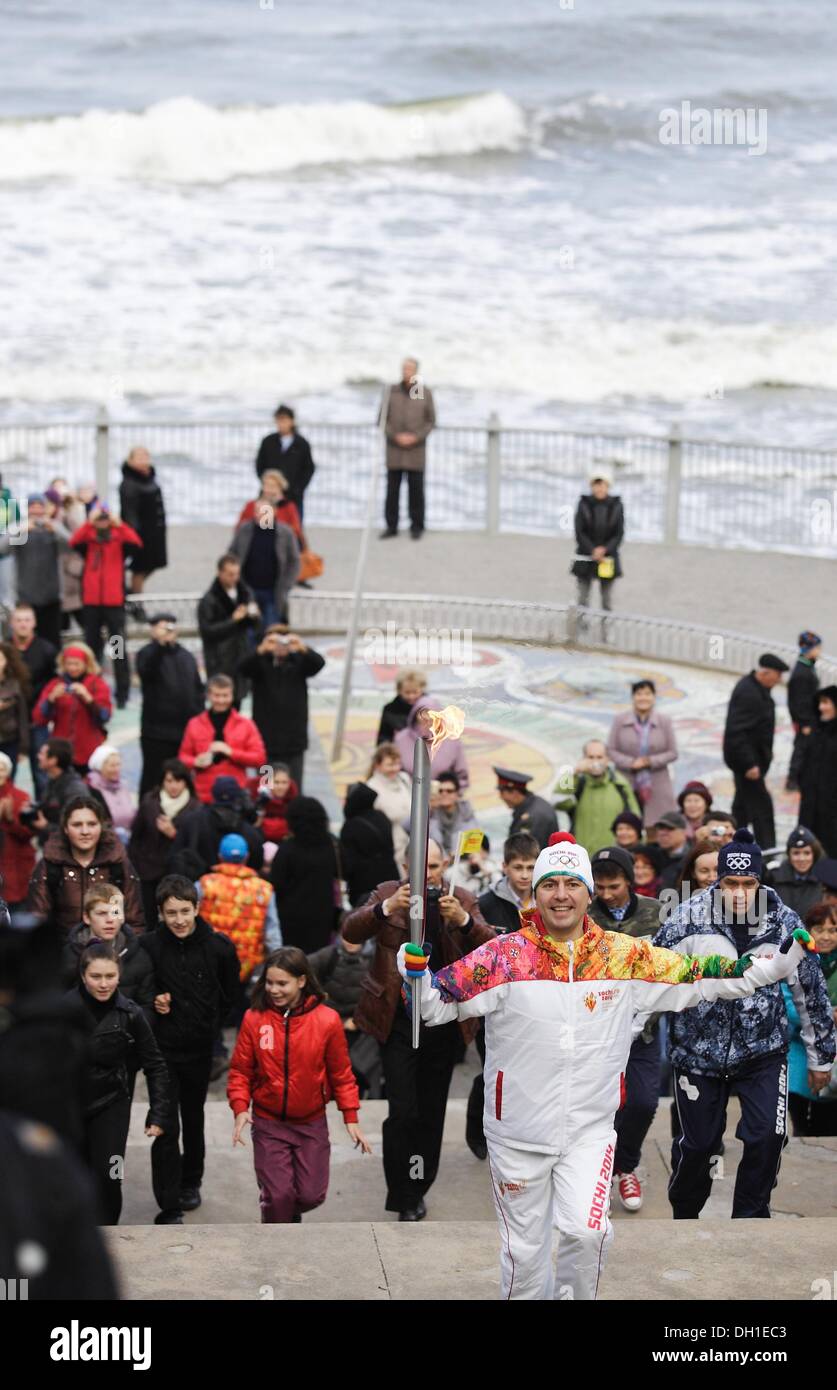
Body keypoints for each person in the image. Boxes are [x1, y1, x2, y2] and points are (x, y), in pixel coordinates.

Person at [400, 831, 809, 1300]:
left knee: (587, 1233)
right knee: (525, 1251)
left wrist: (772, 967)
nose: (561, 894)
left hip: (589, 1132)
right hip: (516, 1133)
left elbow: (703, 976)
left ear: (587, 893)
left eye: (571, 884)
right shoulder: (504, 956)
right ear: (535, 894)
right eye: (549, 884)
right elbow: (434, 1005)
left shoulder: (624, 955)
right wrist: (414, 976)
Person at [654, 829, 836, 1220]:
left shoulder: (784, 921)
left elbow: (811, 991)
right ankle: (684, 1214)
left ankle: (750, 1218)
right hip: (697, 1055)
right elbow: (650, 978)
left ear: (760, 881)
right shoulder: (686, 919)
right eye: (730, 883)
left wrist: (821, 1058)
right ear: (717, 881)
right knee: (699, 1146)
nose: (739, 893)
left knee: (767, 1137)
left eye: (748, 883)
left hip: (763, 1053)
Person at [342, 838, 493, 1220]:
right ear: (404, 866)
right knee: (402, 1110)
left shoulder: (460, 898)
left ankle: (418, 1186)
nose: (427, 876)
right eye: (419, 868)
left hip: (442, 1021)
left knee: (430, 1112)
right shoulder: (388, 893)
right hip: (396, 1019)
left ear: (445, 866)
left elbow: (493, 950)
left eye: (435, 867)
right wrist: (383, 909)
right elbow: (351, 930)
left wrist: (462, 920)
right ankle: (401, 1192)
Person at [229, 946, 371, 1222]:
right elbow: (240, 1071)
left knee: (310, 1195)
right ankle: (277, 1231)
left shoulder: (327, 1021)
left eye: (282, 983)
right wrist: (240, 1108)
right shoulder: (254, 1019)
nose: (274, 990)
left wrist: (350, 1118)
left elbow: (341, 1073)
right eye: (269, 983)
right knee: (278, 1196)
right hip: (268, 1123)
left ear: (302, 981)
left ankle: (281, 1210)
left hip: (310, 1123)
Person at [140, 874, 240, 1223]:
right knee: (165, 1121)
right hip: (162, 1052)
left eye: (185, 911)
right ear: (160, 913)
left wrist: (210, 1026)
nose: (179, 920)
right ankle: (169, 1199)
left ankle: (191, 1180)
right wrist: (154, 1001)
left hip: (200, 1050)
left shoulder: (219, 947)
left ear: (197, 908)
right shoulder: (149, 946)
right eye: (171, 913)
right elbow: (139, 988)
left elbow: (231, 996)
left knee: (193, 1118)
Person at [588, 845, 664, 1212]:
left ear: (629, 881)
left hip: (645, 1029)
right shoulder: (585, 915)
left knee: (644, 1101)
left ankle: (626, 1165)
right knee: (602, 1106)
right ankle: (598, 1173)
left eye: (613, 886)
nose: (606, 894)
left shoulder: (656, 912)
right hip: (597, 1030)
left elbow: (671, 964)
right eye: (599, 887)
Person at [73, 941, 169, 1224]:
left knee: (111, 1175)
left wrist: (159, 1111)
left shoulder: (131, 1014)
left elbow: (155, 1064)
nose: (104, 984)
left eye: (110, 976)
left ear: (119, 975)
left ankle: (109, 1235)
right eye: (96, 977)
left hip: (112, 1105)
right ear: (82, 976)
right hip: (70, 1106)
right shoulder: (64, 1011)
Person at [28, 795, 145, 937]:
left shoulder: (118, 863)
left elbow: (134, 921)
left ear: (101, 826)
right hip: (63, 952)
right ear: (65, 828)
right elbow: (38, 920)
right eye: (77, 825)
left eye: (92, 824)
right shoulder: (50, 865)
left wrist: (127, 953)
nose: (85, 831)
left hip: (111, 952)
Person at [69, 505, 143, 709]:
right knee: (91, 650)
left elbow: (136, 543)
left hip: (114, 606)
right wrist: (88, 522)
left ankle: (122, 694)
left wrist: (119, 523)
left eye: (105, 518)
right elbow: (73, 541)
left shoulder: (119, 539)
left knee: (118, 650)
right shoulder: (89, 541)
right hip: (92, 605)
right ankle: (90, 689)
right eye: (99, 519)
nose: (102, 522)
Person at [237, 626, 325, 789]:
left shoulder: (299, 662)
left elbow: (319, 664)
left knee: (293, 787)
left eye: (284, 641)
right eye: (274, 641)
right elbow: (242, 667)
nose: (280, 645)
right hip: (265, 742)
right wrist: (261, 649)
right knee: (265, 787)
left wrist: (301, 647)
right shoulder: (259, 663)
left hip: (294, 742)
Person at [722, 652, 789, 850]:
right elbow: (737, 732)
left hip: (753, 762)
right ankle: (768, 852)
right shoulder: (749, 693)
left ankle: (735, 846)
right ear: (765, 673)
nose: (779, 680)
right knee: (762, 810)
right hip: (748, 765)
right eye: (777, 676)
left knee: (741, 807)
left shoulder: (757, 688)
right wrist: (748, 764)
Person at [195, 833, 281, 986]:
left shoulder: (204, 884)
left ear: (220, 856)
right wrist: (277, 964)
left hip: (208, 962)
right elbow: (272, 933)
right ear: (246, 857)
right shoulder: (264, 889)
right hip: (247, 968)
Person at [136, 612, 204, 798]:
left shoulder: (186, 656)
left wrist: (198, 721)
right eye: (161, 626)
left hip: (184, 731)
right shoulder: (147, 653)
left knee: (183, 778)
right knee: (153, 778)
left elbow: (197, 689)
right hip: (156, 733)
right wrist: (160, 645)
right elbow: (146, 672)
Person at [129, 758, 202, 931]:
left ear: (186, 782)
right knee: (148, 917)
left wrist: (173, 834)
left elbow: (193, 848)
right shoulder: (150, 802)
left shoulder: (195, 808)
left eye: (178, 781)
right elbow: (136, 836)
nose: (173, 786)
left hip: (176, 875)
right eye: (169, 781)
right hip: (148, 870)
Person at [783, 904, 837, 1137]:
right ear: (808, 931)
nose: (826, 936)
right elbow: (789, 1007)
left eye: (833, 930)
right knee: (803, 1131)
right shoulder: (794, 962)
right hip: (798, 1056)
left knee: (829, 1128)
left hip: (834, 1062)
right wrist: (828, 1015)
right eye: (819, 929)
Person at [307, 934, 383, 1098]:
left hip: (361, 1024)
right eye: (346, 935)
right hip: (329, 1021)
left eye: (355, 935)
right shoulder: (329, 956)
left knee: (360, 1065)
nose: (350, 941)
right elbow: (303, 973)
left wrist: (358, 1020)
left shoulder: (375, 960)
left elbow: (381, 996)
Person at [62, 885, 155, 1015]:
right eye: (101, 913)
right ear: (87, 917)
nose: (110, 920)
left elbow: (147, 1007)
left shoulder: (139, 956)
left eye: (115, 912)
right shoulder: (67, 956)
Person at [178, 674, 266, 803]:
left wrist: (230, 752)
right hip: (203, 795)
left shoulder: (246, 724)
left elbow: (260, 759)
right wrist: (195, 761)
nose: (221, 700)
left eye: (225, 695)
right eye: (217, 695)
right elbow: (183, 757)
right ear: (208, 695)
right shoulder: (194, 723)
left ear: (232, 695)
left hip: (236, 793)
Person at [270, 796, 339, 956]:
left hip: (290, 917)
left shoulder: (287, 849)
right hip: (323, 915)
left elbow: (276, 884)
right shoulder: (331, 845)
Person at [0, 493, 69, 648]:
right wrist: (20, 531)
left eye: (40, 507)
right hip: (26, 597)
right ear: (28, 509)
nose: (37, 511)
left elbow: (72, 546)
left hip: (51, 596)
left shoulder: (53, 527)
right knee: (26, 641)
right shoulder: (19, 528)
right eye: (33, 507)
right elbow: (2, 548)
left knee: (52, 641)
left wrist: (55, 530)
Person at [607, 680, 678, 828]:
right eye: (639, 694)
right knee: (626, 825)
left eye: (647, 693)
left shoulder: (664, 721)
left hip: (657, 783)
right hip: (626, 780)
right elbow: (611, 750)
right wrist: (631, 763)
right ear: (633, 697)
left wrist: (648, 761)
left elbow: (673, 752)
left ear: (654, 697)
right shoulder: (619, 720)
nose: (643, 698)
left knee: (657, 826)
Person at [380, 357, 436, 540]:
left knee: (416, 491)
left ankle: (417, 527)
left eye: (410, 369)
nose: (406, 372)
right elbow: (381, 419)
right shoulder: (392, 391)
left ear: (417, 371)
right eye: (404, 368)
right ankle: (391, 526)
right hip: (394, 450)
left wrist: (415, 437)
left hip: (415, 452)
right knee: (392, 491)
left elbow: (430, 421)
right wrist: (395, 436)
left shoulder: (421, 391)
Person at [34, 642, 111, 773]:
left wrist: (88, 699)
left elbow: (104, 716)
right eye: (69, 664)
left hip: (88, 749)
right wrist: (51, 699)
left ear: (86, 664)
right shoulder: (55, 684)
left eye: (76, 664)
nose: (72, 668)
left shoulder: (97, 684)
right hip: (60, 751)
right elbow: (39, 718)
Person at [197, 554, 262, 706]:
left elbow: (255, 626)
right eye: (230, 574)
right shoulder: (209, 600)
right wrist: (233, 620)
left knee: (237, 698)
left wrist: (255, 616)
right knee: (221, 701)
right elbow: (207, 631)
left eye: (237, 574)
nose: (235, 578)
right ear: (220, 573)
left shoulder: (245, 593)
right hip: (220, 659)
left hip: (240, 655)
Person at [558, 740, 639, 856]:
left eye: (599, 757)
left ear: (607, 759)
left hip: (612, 859)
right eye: (590, 757)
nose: (595, 761)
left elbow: (635, 821)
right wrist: (574, 773)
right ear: (583, 759)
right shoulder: (577, 782)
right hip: (582, 859)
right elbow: (556, 800)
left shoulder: (620, 784)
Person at [9, 603, 56, 796]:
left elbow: (54, 681)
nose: (23, 624)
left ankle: (42, 814)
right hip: (9, 720)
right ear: (12, 623)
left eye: (27, 620)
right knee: (5, 769)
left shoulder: (46, 649)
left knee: (41, 771)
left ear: (34, 623)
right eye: (19, 620)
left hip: (38, 719)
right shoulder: (4, 649)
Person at [178, 775, 265, 879]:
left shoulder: (193, 821)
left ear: (214, 794)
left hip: (202, 889)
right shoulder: (249, 829)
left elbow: (179, 856)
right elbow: (258, 862)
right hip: (243, 890)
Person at [229, 506, 300, 629]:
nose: (260, 514)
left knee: (272, 630)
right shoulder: (245, 530)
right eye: (257, 511)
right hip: (248, 590)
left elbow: (294, 561)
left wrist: (286, 584)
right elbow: (232, 555)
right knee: (248, 631)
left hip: (274, 592)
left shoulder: (285, 532)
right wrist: (236, 581)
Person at [118, 446, 167, 603]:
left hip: (155, 533)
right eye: (139, 457)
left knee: (153, 565)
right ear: (130, 460)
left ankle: (132, 594)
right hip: (140, 535)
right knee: (139, 569)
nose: (144, 459)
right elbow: (129, 512)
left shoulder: (149, 478)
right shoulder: (128, 483)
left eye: (146, 455)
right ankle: (136, 602)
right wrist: (134, 537)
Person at [338, 783, 398, 908]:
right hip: (390, 882)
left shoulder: (351, 826)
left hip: (363, 887)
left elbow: (348, 863)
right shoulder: (382, 817)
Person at [570, 470, 624, 610]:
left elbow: (619, 534)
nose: (599, 488)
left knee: (606, 600)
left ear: (608, 486)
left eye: (603, 484)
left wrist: (604, 550)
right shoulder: (583, 504)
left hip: (607, 558)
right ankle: (581, 628)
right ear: (591, 486)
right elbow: (579, 532)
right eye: (596, 484)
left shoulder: (617, 505)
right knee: (583, 598)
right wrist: (592, 550)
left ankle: (605, 630)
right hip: (586, 555)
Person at [255, 404, 316, 519]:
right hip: (269, 495)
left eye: (284, 419)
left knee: (293, 530)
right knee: (265, 528)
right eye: (278, 420)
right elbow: (259, 465)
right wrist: (268, 485)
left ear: (291, 421)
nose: (281, 423)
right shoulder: (268, 441)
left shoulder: (302, 444)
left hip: (293, 496)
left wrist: (298, 489)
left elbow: (309, 469)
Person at [396, 694, 470, 787]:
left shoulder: (452, 740)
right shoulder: (401, 739)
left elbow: (462, 776)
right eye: (423, 713)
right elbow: (393, 772)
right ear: (415, 714)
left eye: (432, 713)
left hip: (442, 798)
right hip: (408, 798)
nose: (427, 718)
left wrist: (446, 792)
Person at [799, 684, 837, 856]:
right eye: (820, 703)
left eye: (826, 702)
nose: (821, 707)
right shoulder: (817, 729)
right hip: (811, 800)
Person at [45, 479, 87, 633]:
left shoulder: (68, 517)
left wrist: (56, 527)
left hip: (71, 579)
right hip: (54, 585)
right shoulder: (38, 523)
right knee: (60, 628)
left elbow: (76, 540)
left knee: (85, 623)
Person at [478, 832, 539, 935]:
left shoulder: (546, 899)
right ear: (504, 867)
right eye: (518, 868)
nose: (525, 875)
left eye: (530, 868)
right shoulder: (485, 905)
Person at [786, 630, 821, 791]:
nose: (819, 651)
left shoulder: (807, 667)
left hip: (809, 717)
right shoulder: (802, 673)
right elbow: (798, 701)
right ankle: (793, 779)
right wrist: (804, 722)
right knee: (801, 749)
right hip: (805, 720)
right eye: (817, 648)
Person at [366, 743, 412, 865]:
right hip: (391, 849)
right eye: (390, 765)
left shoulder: (404, 779)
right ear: (378, 765)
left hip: (411, 844)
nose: (395, 768)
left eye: (397, 764)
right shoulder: (371, 788)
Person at [0, 750, 36, 907]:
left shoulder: (21, 797)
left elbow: (29, 832)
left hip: (20, 865)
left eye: (1, 769)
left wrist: (10, 820)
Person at [36, 736, 91, 833]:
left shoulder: (74, 790)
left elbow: (77, 828)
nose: (38, 757)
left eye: (42, 754)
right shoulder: (52, 781)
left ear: (53, 760)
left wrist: (47, 826)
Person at [494, 766, 558, 849]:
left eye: (502, 792)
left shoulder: (532, 818)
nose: (501, 797)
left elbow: (524, 854)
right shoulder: (534, 804)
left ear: (515, 793)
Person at [767, 827, 824, 919]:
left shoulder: (825, 882)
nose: (801, 858)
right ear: (789, 855)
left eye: (807, 853)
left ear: (814, 854)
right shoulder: (772, 877)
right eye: (796, 853)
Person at [236, 470, 303, 543]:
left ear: (280, 488)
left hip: (281, 544)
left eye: (273, 486)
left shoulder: (288, 507)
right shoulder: (251, 505)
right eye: (266, 485)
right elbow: (239, 528)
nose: (269, 489)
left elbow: (296, 531)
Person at [87, 743, 134, 842]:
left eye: (118, 764)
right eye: (112, 765)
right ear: (100, 767)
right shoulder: (93, 790)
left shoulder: (123, 786)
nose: (117, 769)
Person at [250, 762, 297, 849]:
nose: (281, 787)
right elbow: (254, 825)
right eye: (276, 782)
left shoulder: (293, 800)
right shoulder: (258, 797)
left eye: (284, 782)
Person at [0, 639, 30, 775]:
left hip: (9, 739)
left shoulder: (15, 685)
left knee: (8, 777)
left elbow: (23, 717)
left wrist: (23, 747)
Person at [376, 669, 427, 745]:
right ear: (399, 690)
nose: (411, 696)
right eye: (407, 692)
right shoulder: (390, 710)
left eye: (415, 692)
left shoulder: (430, 709)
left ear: (422, 689)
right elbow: (383, 738)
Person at [654, 811, 690, 889]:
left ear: (683, 832)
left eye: (669, 828)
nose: (663, 833)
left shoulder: (691, 858)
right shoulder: (653, 857)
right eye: (660, 828)